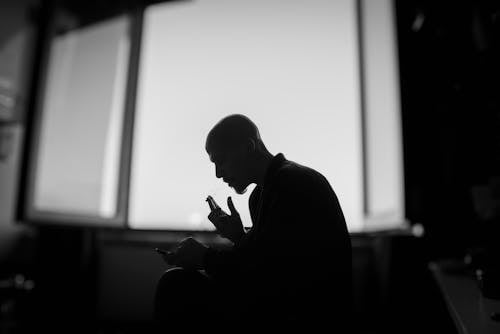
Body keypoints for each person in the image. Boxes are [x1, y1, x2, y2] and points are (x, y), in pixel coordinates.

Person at [154, 114, 352, 332]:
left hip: (307, 313)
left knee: (176, 286)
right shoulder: (262, 194)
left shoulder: (292, 183)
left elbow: (269, 273)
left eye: (221, 161)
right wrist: (239, 236)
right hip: (284, 301)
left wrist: (205, 257)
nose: (218, 174)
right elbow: (267, 258)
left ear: (248, 148)